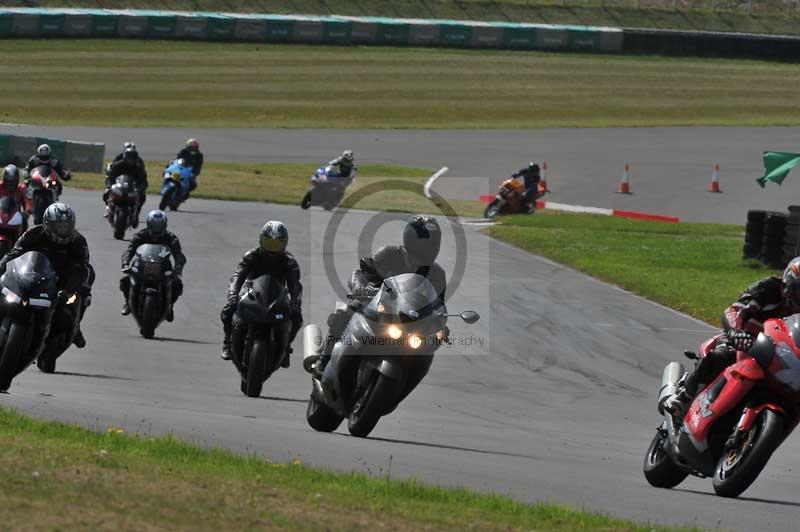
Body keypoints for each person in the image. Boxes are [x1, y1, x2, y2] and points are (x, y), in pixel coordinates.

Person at [664, 257, 800, 420]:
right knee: (721, 355)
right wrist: (736, 332)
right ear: (788, 285)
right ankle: (684, 396)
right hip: (744, 342)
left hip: (780, 356)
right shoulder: (767, 289)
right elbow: (734, 310)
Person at [316, 215, 446, 370]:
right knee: (346, 311)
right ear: (411, 241)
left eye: (432, 243)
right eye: (425, 243)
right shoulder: (389, 254)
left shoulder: (437, 273)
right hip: (377, 307)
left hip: (409, 320)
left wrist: (440, 322)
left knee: (427, 350)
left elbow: (439, 305)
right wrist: (360, 289)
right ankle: (324, 359)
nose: (429, 248)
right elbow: (359, 273)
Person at [0, 202, 93, 349]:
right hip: (31, 276)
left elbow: (81, 268)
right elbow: (15, 253)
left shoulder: (78, 242)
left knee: (81, 294)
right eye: (58, 226)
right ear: (47, 224)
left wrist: (70, 290)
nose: (63, 230)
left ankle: (76, 328)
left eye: (66, 226)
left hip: (60, 282)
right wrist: (3, 265)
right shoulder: (33, 233)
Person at [220, 221, 302, 367]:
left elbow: (295, 285)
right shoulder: (251, 256)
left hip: (277, 296)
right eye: (268, 243)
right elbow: (237, 276)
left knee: (297, 317)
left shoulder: (290, 262)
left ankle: (286, 347)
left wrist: (296, 301)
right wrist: (233, 294)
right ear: (261, 240)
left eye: (277, 244)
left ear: (285, 243)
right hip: (251, 291)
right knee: (228, 310)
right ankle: (227, 342)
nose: (272, 248)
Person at [120, 210, 185, 322]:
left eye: (159, 225)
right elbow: (129, 251)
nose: (156, 228)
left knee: (177, 284)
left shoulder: (171, 238)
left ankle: (169, 305)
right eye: (154, 225)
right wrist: (126, 263)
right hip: (142, 265)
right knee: (125, 280)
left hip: (163, 267)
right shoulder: (140, 235)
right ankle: (128, 302)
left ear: (164, 224)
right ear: (148, 224)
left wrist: (178, 267)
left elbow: (179, 255)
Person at [105, 145, 148, 224]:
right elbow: (111, 176)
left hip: (132, 188)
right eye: (129, 157)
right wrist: (110, 185)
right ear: (125, 157)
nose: (130, 160)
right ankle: (108, 208)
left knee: (142, 197)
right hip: (119, 186)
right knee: (106, 193)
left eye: (132, 158)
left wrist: (140, 189)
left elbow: (143, 181)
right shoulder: (118, 165)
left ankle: (136, 214)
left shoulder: (139, 168)